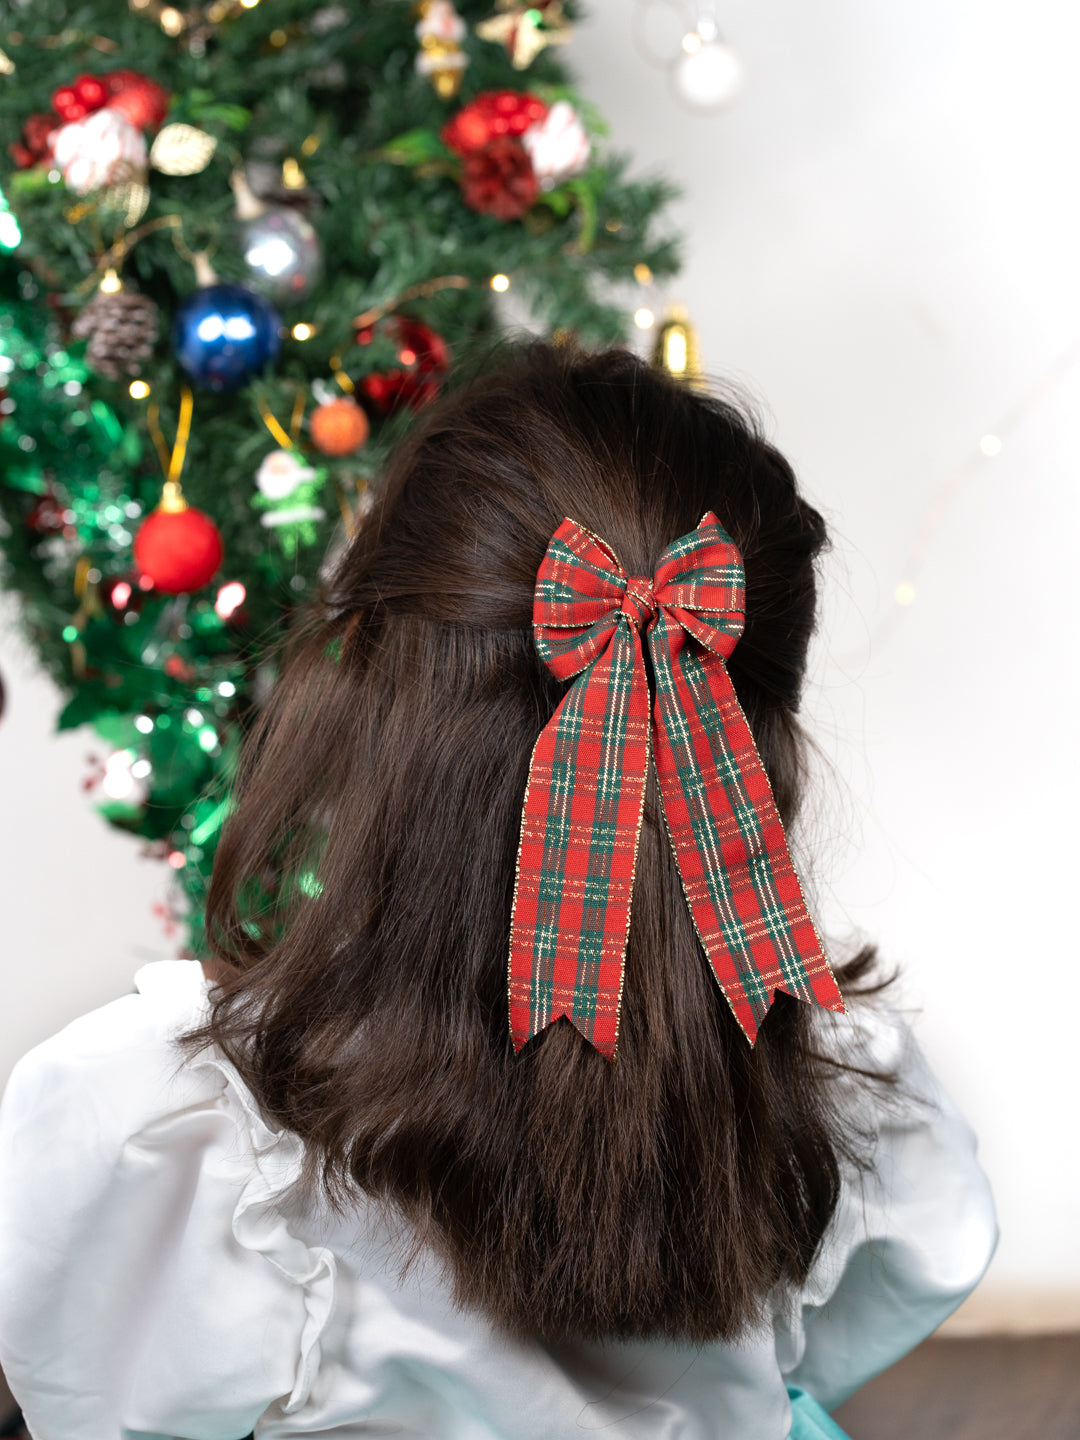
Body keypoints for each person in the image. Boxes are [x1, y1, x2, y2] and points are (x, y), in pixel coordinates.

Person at [0, 344, 996, 1440]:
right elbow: (838, 1345)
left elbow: (105, 1406)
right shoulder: (845, 1093)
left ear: (369, 681)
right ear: (763, 735)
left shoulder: (179, 1127)